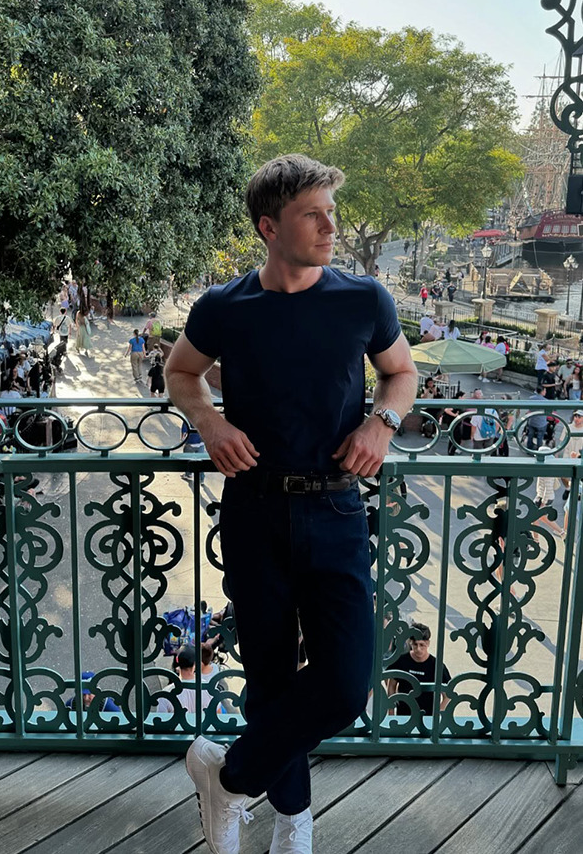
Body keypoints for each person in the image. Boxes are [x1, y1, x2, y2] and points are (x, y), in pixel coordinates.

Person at [165, 154, 417, 854]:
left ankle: (228, 775)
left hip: (336, 510)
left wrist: (382, 423)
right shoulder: (224, 307)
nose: (331, 225)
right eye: (315, 213)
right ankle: (292, 825)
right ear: (269, 227)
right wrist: (210, 423)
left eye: (332, 210)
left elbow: (401, 373)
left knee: (342, 685)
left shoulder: (364, 298)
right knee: (269, 675)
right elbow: (180, 371)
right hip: (253, 509)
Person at [386, 623, 451, 718]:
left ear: (428, 643)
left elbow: (447, 695)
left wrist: (437, 714)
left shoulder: (436, 666)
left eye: (422, 645)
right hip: (403, 715)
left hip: (426, 717)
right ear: (410, 642)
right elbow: (391, 685)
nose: (418, 649)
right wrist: (391, 711)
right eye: (415, 644)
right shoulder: (401, 661)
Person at [156, 644, 214, 714]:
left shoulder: (166, 694)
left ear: (177, 660)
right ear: (196, 662)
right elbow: (218, 716)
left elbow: (161, 720)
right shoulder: (209, 689)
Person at [442, 390, 467, 455]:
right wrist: (455, 415)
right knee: (456, 438)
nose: (465, 398)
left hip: (455, 422)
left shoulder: (457, 402)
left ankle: (450, 452)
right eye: (464, 397)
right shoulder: (455, 402)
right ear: (460, 397)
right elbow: (447, 410)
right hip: (453, 422)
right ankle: (451, 451)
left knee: (453, 437)